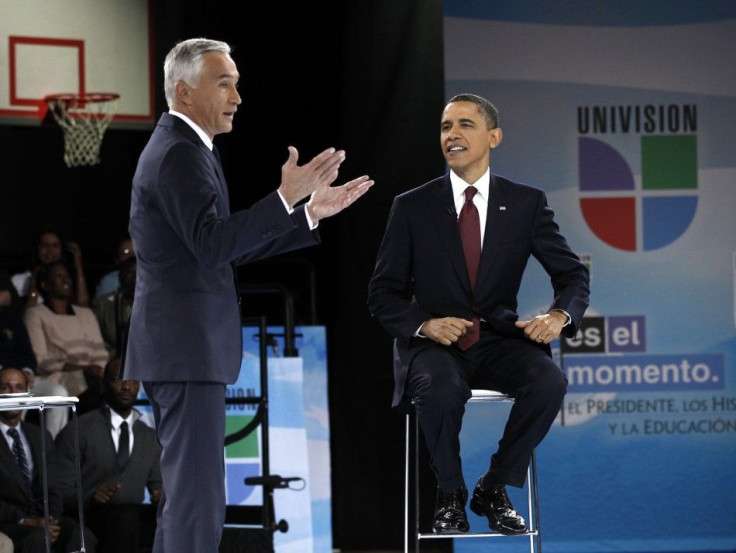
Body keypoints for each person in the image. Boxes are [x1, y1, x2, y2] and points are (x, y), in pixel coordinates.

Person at [123, 37, 373, 552]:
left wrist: (306, 214)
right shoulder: (177, 154)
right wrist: (284, 198)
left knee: (191, 498)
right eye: (224, 83)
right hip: (185, 350)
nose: (237, 95)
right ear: (184, 92)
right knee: (197, 500)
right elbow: (214, 246)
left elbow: (215, 250)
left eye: (237, 83)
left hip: (185, 350)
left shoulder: (189, 149)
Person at [367, 93, 590, 535]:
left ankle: (494, 486)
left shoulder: (525, 203)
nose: (452, 135)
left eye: (465, 125)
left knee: (549, 382)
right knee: (441, 389)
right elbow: (382, 293)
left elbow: (572, 275)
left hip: (497, 338)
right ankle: (450, 493)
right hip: (436, 344)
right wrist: (424, 323)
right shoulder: (412, 206)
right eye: (446, 127)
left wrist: (558, 317)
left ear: (494, 136)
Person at [55, 357, 161, 553]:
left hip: (132, 518)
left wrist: (160, 494)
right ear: (104, 385)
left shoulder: (149, 436)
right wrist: (92, 497)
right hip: (89, 517)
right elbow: (59, 492)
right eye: (118, 379)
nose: (126, 387)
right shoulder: (78, 430)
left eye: (132, 381)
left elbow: (158, 483)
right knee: (125, 520)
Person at [0, 366, 97, 553]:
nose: (13, 394)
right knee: (37, 538)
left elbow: (53, 487)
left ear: (28, 392)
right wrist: (24, 520)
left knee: (81, 535)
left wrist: (49, 518)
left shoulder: (40, 435)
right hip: (9, 522)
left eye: (19, 387)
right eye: (5, 388)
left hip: (43, 519)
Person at [24, 261, 109, 436]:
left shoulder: (86, 314)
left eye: (68, 276)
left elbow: (100, 351)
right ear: (44, 284)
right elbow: (42, 360)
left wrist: (100, 370)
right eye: (59, 276)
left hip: (94, 375)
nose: (66, 280)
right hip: (57, 377)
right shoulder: (36, 315)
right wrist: (84, 369)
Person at [11, 224, 90, 309]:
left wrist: (78, 264)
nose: (50, 250)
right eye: (45, 245)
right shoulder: (20, 280)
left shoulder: (66, 280)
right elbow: (32, 300)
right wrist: (35, 278)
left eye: (55, 246)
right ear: (37, 249)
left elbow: (82, 305)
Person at [92, 257, 136, 358]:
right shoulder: (102, 305)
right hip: (111, 360)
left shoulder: (155, 306)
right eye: (130, 272)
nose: (135, 278)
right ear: (121, 276)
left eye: (139, 273)